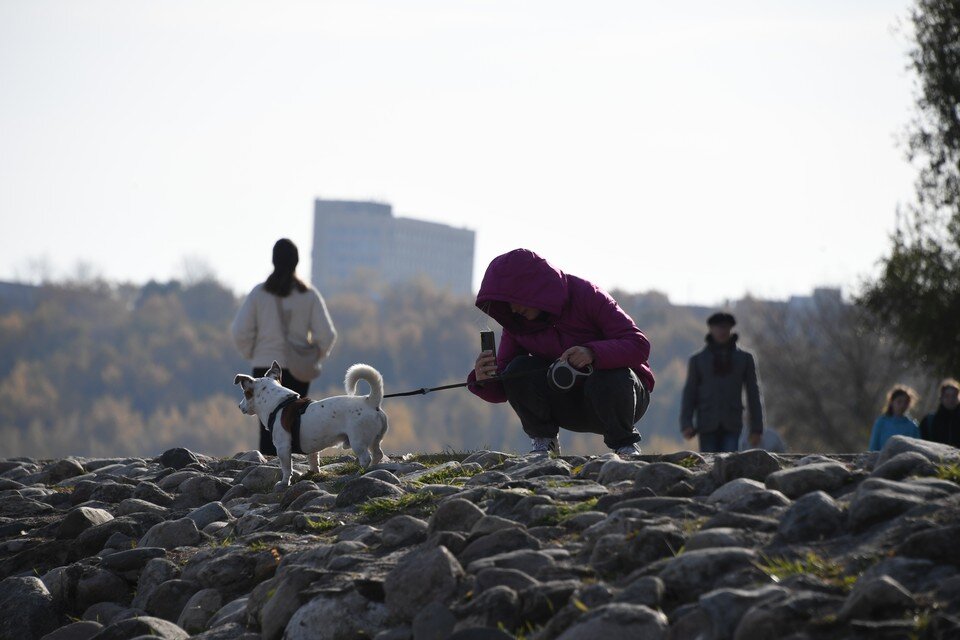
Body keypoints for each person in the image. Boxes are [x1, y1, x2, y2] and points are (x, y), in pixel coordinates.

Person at [468, 248, 655, 457]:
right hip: (567, 405)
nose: (512, 309)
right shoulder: (517, 325)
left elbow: (639, 345)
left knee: (610, 375)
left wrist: (592, 353)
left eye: (514, 298)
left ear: (532, 288)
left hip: (623, 399)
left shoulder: (588, 295)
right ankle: (544, 444)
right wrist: (484, 380)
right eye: (506, 303)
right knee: (517, 369)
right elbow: (507, 383)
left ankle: (625, 447)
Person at [232, 238, 337, 455]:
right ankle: (295, 465)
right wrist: (315, 357)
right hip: (299, 367)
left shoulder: (259, 293)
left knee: (267, 425)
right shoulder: (308, 295)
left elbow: (239, 331)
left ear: (273, 260)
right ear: (297, 261)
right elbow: (327, 335)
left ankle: (269, 465)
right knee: (297, 422)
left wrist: (252, 352)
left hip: (264, 365)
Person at [680, 312, 764, 453]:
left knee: (730, 461)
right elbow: (690, 393)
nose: (721, 331)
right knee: (708, 462)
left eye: (725, 327)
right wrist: (686, 423)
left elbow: (753, 393)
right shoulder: (698, 360)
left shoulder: (744, 358)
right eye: (718, 327)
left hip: (732, 422)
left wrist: (757, 428)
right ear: (711, 329)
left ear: (731, 329)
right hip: (707, 423)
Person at [868, 385, 920, 451]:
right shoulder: (881, 422)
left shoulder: (912, 427)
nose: (902, 405)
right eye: (899, 401)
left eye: (906, 402)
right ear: (892, 402)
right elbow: (873, 448)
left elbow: (916, 450)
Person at [919, 378, 960, 447]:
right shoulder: (929, 421)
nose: (951, 399)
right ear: (941, 398)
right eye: (947, 396)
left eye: (954, 396)